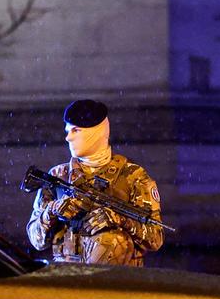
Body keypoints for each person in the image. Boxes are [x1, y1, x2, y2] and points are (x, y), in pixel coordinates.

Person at [26, 99, 164, 266]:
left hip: (118, 284)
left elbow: (155, 239)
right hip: (67, 281)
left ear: (96, 132)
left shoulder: (133, 177)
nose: (68, 138)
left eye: (76, 131)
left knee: (113, 240)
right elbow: (36, 241)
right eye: (68, 131)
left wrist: (119, 220)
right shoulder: (58, 176)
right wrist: (51, 211)